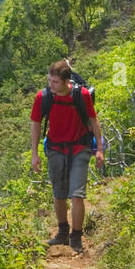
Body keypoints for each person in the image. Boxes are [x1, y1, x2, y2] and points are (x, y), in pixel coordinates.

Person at [30, 59, 104, 252]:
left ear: (65, 81)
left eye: (54, 82)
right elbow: (36, 124)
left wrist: (100, 149)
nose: (50, 85)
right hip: (55, 149)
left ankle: (76, 236)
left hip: (80, 148)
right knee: (59, 194)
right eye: (49, 81)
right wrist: (35, 154)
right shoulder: (43, 97)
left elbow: (93, 121)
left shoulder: (82, 95)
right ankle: (63, 232)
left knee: (77, 195)